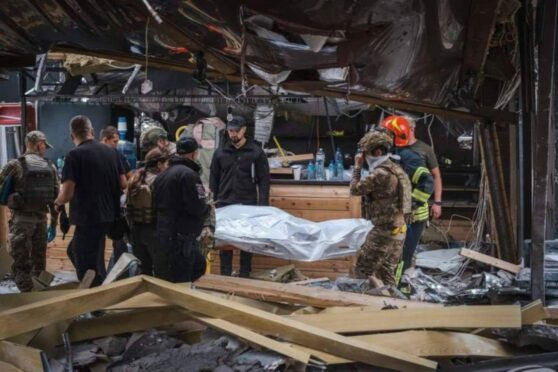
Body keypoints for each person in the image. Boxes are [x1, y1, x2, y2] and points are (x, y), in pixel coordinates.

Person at [54, 115, 127, 286]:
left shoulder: (74, 156)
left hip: (88, 218)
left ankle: (95, 306)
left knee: (88, 264)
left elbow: (67, 194)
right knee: (79, 252)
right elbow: (123, 183)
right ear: (92, 132)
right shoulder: (112, 152)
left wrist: (57, 203)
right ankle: (96, 295)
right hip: (110, 217)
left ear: (72, 135)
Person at [209, 116, 270, 278]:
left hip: (247, 205)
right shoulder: (220, 153)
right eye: (230, 131)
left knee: (246, 242)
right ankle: (225, 274)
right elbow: (213, 179)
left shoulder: (256, 153)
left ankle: (244, 274)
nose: (233, 134)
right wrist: (211, 203)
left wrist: (263, 207)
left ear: (244, 130)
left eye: (236, 131)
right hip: (224, 204)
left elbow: (264, 181)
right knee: (225, 243)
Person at [350, 128, 412, 285]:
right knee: (386, 273)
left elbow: (355, 189)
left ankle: (359, 304)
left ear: (377, 152)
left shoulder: (381, 173)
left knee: (361, 270)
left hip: (384, 231)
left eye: (366, 153)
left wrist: (357, 167)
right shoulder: (397, 169)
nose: (363, 156)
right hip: (399, 229)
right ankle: (392, 305)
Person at [0, 131, 59, 292]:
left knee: (21, 263)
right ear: (39, 144)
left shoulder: (15, 164)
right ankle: (38, 296)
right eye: (44, 146)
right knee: (39, 263)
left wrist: (10, 196)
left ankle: (26, 298)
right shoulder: (50, 165)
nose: (45, 149)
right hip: (41, 221)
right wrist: (53, 224)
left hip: (21, 222)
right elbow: (56, 199)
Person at [381, 115, 438, 275]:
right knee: (393, 255)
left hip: (413, 218)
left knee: (402, 257)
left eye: (386, 133)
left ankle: (397, 291)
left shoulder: (409, 157)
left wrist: (410, 206)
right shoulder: (395, 154)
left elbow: (427, 182)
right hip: (399, 217)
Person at [153, 136, 211, 282]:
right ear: (194, 153)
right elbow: (196, 207)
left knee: (196, 266)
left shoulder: (162, 175)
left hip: (164, 235)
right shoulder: (189, 175)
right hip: (183, 236)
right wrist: (207, 208)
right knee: (184, 277)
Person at [127, 148, 168, 275]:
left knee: (144, 270)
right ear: (159, 164)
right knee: (161, 270)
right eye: (166, 163)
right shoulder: (160, 180)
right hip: (154, 231)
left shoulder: (136, 178)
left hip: (136, 230)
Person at [100, 126, 133, 268]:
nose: (116, 145)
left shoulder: (116, 154)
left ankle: (103, 276)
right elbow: (125, 182)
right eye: (114, 141)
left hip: (99, 207)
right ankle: (119, 274)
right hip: (112, 205)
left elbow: (129, 176)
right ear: (105, 139)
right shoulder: (115, 155)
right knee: (118, 241)